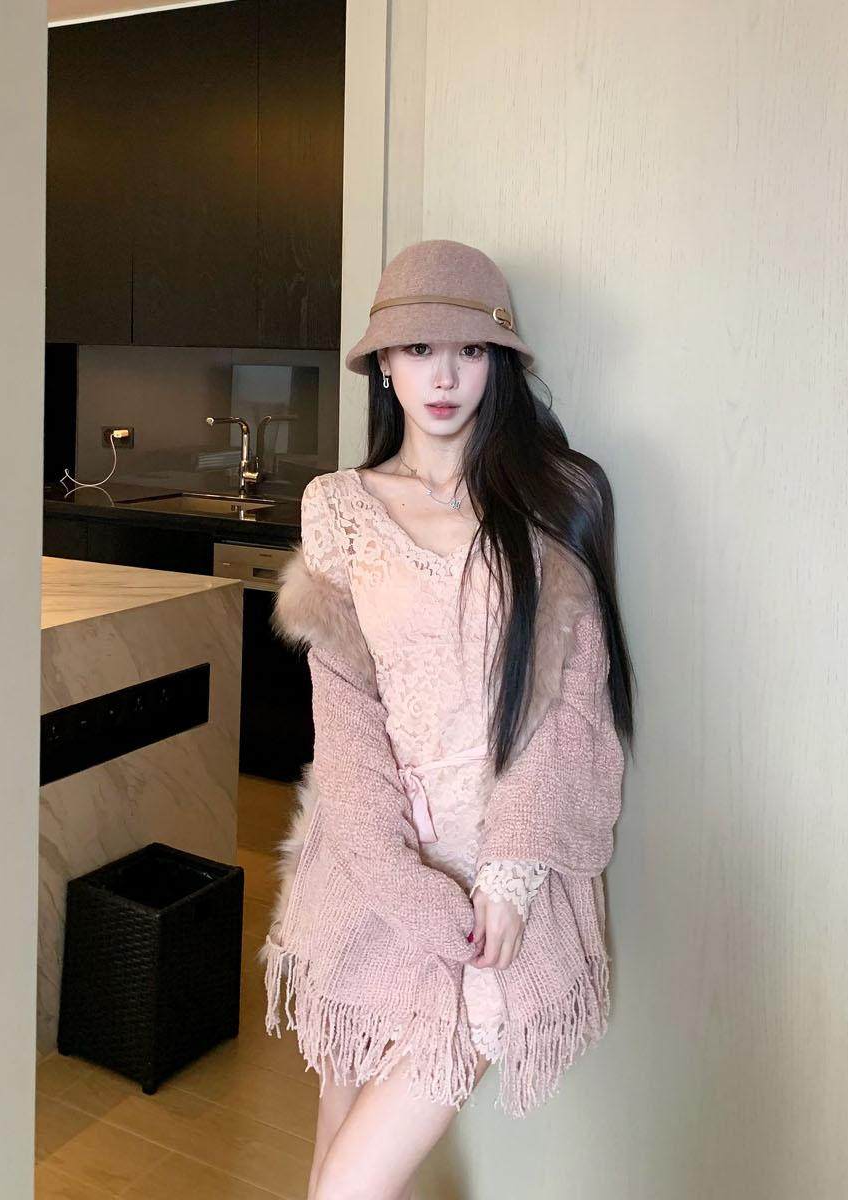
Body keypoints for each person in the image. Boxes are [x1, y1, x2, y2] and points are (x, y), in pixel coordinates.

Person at [259, 238, 636, 1200]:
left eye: (470, 351)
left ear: (498, 365)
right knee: (331, 1159)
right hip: (371, 870)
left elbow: (572, 713)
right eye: (420, 348)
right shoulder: (338, 507)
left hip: (500, 884)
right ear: (383, 364)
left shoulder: (552, 503)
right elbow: (346, 717)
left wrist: (506, 877)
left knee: (346, 1188)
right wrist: (400, 885)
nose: (444, 376)